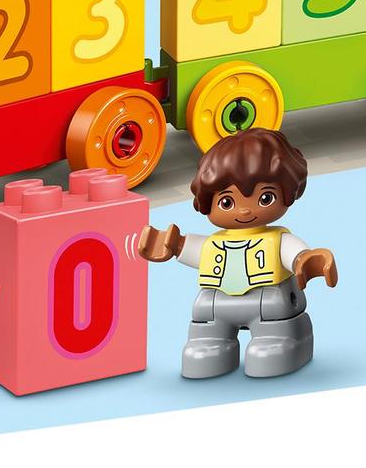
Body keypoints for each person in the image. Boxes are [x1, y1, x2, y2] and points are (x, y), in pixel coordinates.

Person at [136, 125, 336, 379]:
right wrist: (172, 245)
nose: (244, 211)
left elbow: (295, 254)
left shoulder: (278, 240)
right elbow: (192, 249)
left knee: (271, 340)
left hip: (269, 304)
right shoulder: (214, 243)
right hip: (215, 305)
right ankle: (210, 344)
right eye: (227, 202)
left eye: (265, 198)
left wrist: (305, 261)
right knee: (204, 332)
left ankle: (280, 341)